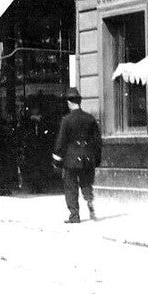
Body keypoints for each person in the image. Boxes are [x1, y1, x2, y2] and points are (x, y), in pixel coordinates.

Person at [52, 87, 101, 223]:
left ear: (69, 102)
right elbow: (97, 141)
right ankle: (89, 200)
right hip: (88, 157)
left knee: (71, 186)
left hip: (71, 159)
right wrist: (96, 159)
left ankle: (74, 215)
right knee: (86, 182)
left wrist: (56, 160)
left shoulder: (66, 120)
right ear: (80, 101)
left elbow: (61, 142)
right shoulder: (90, 118)